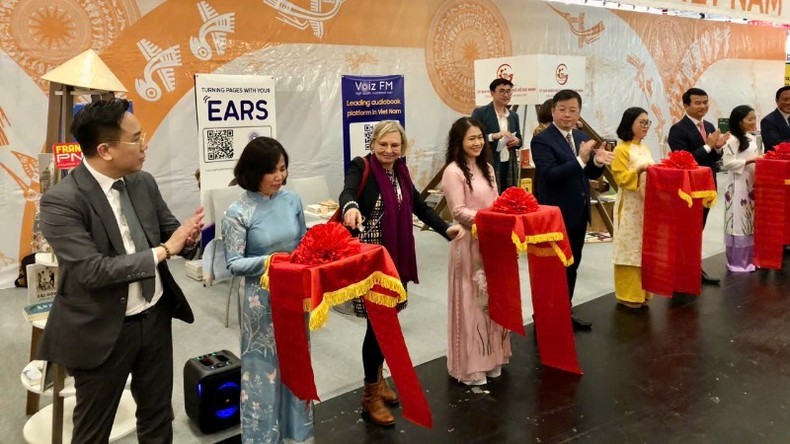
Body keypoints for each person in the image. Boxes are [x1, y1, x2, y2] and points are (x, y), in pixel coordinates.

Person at [37, 98, 204, 442]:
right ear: (106, 150)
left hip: (154, 317)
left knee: (158, 415)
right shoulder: (62, 200)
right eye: (136, 138)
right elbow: (91, 271)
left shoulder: (142, 182)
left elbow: (170, 231)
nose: (145, 146)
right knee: (93, 429)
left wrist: (187, 238)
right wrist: (164, 250)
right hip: (101, 329)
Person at [340, 120, 462, 426]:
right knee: (378, 327)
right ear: (373, 144)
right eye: (383, 144)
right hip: (371, 264)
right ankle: (370, 396)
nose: (389, 150)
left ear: (402, 148)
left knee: (387, 323)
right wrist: (351, 207)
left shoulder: (402, 173)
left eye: (395, 145)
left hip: (395, 260)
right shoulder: (361, 166)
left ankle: (378, 379)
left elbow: (420, 207)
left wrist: (445, 228)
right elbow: (348, 191)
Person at [222, 137, 313, 443]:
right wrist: (273, 261)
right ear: (253, 172)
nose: (279, 177)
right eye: (272, 171)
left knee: (295, 364)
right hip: (260, 302)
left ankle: (297, 433)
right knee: (262, 372)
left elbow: (303, 243)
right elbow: (233, 263)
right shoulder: (237, 211)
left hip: (294, 295)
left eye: (283, 169)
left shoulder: (292, 201)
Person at [531, 89, 614, 330]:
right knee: (552, 268)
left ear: (579, 112)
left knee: (572, 264)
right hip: (555, 215)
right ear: (553, 110)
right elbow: (550, 176)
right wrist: (580, 160)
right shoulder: (542, 140)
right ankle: (545, 317)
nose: (567, 115)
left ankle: (564, 310)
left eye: (573, 110)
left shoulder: (580, 136)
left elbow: (588, 174)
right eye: (562, 110)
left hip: (579, 211)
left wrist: (597, 162)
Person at [441, 117, 510, 385]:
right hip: (468, 243)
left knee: (492, 302)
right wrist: (490, 220)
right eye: (471, 138)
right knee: (471, 302)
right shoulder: (453, 172)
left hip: (492, 243)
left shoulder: (489, 168)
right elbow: (458, 211)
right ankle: (469, 366)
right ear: (459, 142)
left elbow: (496, 202)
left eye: (480, 137)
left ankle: (492, 358)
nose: (478, 142)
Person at [667, 87, 729, 285]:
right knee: (686, 231)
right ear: (686, 105)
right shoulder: (678, 129)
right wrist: (708, 146)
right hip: (688, 190)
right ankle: (680, 271)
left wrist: (717, 149)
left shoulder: (709, 125)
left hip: (707, 186)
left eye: (705, 102)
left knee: (698, 230)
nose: (703, 106)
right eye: (698, 103)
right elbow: (683, 160)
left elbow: (712, 158)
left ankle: (693, 268)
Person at [610, 107, 656, 309]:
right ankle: (628, 294)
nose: (645, 126)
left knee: (642, 248)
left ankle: (643, 292)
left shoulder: (644, 147)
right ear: (630, 124)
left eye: (647, 122)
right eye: (642, 122)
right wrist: (638, 170)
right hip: (629, 206)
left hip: (645, 205)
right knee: (628, 249)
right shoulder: (621, 149)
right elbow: (620, 179)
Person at [721, 105, 761, 272]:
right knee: (738, 221)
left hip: (751, 183)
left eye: (754, 118)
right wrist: (749, 161)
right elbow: (727, 163)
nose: (753, 122)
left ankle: (750, 259)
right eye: (749, 119)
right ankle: (738, 262)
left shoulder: (751, 138)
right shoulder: (731, 140)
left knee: (750, 220)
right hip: (737, 186)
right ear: (739, 121)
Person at [471, 78, 522, 192]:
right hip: (489, 161)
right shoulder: (480, 113)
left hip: (509, 162)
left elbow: (520, 139)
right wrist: (493, 136)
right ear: (492, 93)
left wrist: (516, 141)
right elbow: (472, 137)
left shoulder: (513, 115)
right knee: (491, 196)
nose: (506, 95)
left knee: (509, 196)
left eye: (509, 91)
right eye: (502, 91)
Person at [759, 86, 790, 152]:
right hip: (778, 160)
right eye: (785, 99)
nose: (788, 103)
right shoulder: (768, 121)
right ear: (777, 100)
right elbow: (775, 145)